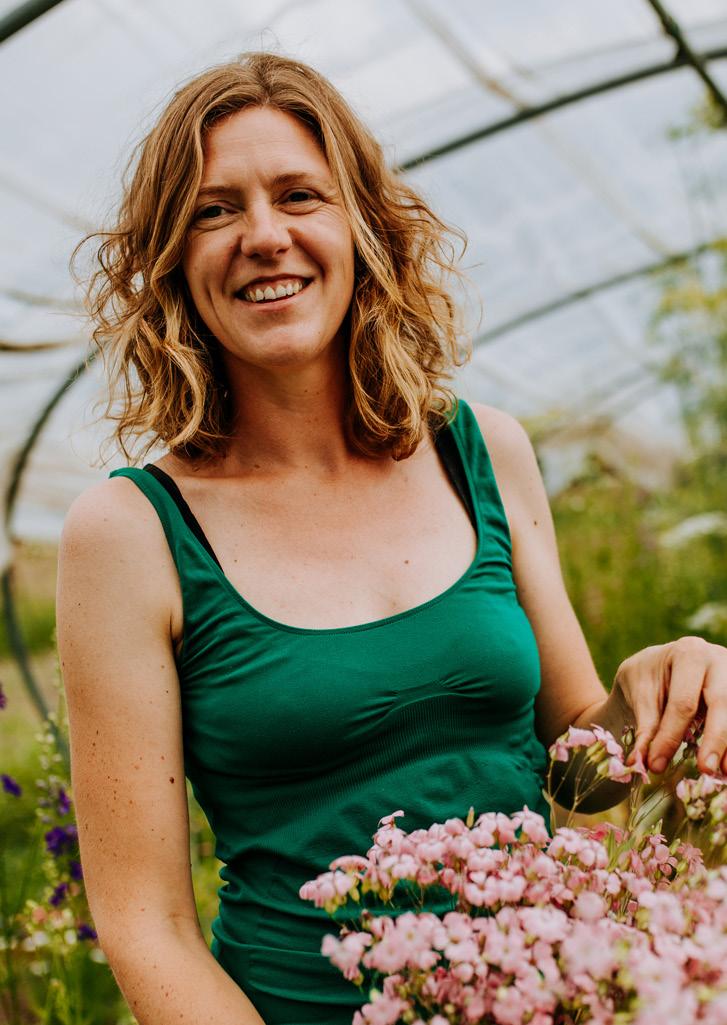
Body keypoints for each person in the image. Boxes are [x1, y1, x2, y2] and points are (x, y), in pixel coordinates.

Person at [57, 51, 727, 1025]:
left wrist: (656, 689)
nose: (264, 236)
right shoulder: (131, 533)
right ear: (170, 259)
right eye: (213, 210)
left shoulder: (482, 452)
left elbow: (581, 767)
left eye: (299, 194)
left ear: (363, 225)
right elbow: (146, 926)